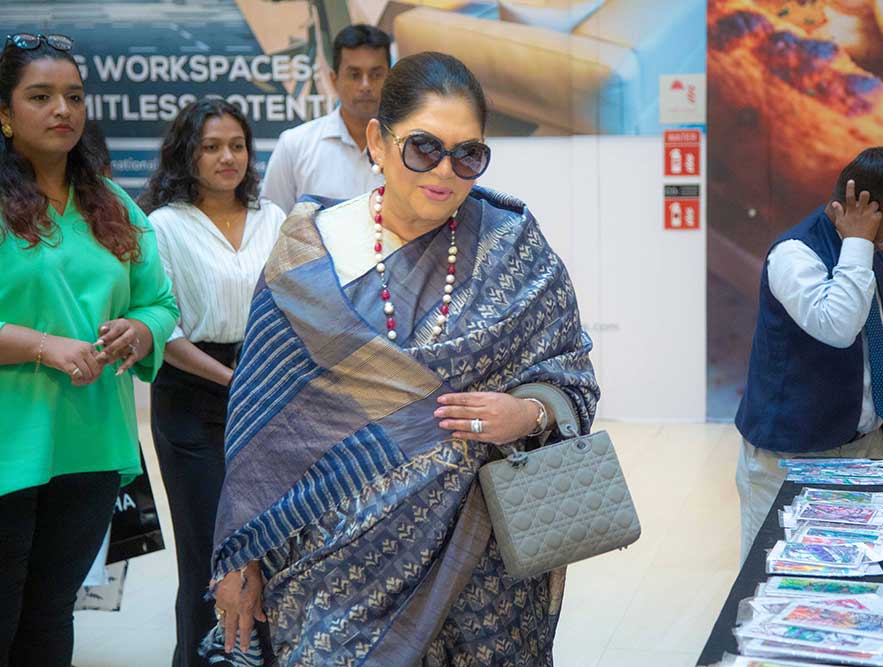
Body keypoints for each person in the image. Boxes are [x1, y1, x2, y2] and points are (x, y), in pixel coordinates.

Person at [204, 51, 599, 667]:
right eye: (424, 148)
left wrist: (527, 414)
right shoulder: (309, 252)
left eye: (468, 154)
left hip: (478, 574)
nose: (445, 171)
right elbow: (261, 430)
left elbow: (571, 373)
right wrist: (240, 554)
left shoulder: (512, 245)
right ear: (377, 142)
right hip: (329, 575)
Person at [0, 34, 178, 666]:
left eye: (74, 97)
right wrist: (41, 345)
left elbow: (160, 301)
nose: (62, 110)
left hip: (91, 446)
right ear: (4, 114)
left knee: (51, 614)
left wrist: (141, 330)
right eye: (40, 96)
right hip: (10, 446)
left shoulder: (112, 201)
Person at [138, 97, 285, 667]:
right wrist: (231, 378)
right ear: (187, 154)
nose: (228, 157)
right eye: (212, 147)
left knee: (268, 550)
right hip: (192, 397)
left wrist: (261, 380)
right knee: (210, 554)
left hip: (266, 394)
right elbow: (165, 330)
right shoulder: (163, 225)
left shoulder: (275, 218)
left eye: (237, 146)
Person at [735, 147, 883, 562]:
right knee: (780, 571)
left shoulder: (869, 251)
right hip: (792, 454)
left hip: (862, 443)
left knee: (858, 569)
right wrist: (858, 242)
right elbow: (836, 327)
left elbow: (863, 320)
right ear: (862, 206)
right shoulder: (794, 254)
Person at [261, 24, 390, 212]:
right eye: (354, 75)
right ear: (333, 80)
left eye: (376, 74)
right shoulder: (295, 145)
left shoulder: (407, 147)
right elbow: (273, 222)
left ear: (390, 79)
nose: (365, 85)